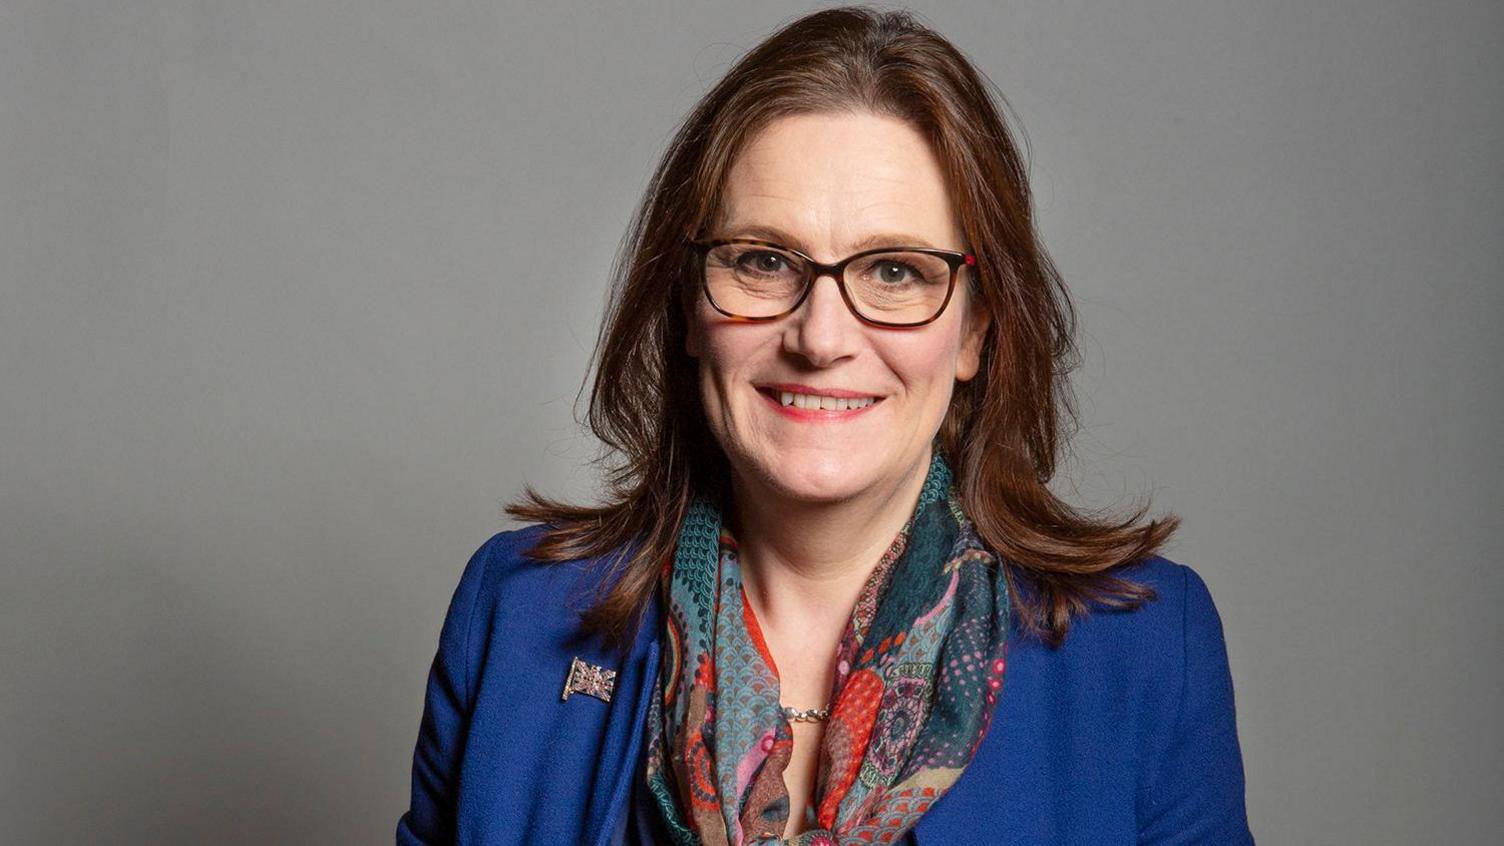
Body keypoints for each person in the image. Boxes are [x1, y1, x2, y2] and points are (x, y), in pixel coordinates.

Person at [397, 6, 1253, 845]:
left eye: (894, 271)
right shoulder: (516, 617)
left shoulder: (1143, 656)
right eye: (765, 261)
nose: (820, 337)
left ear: (977, 329)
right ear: (691, 303)